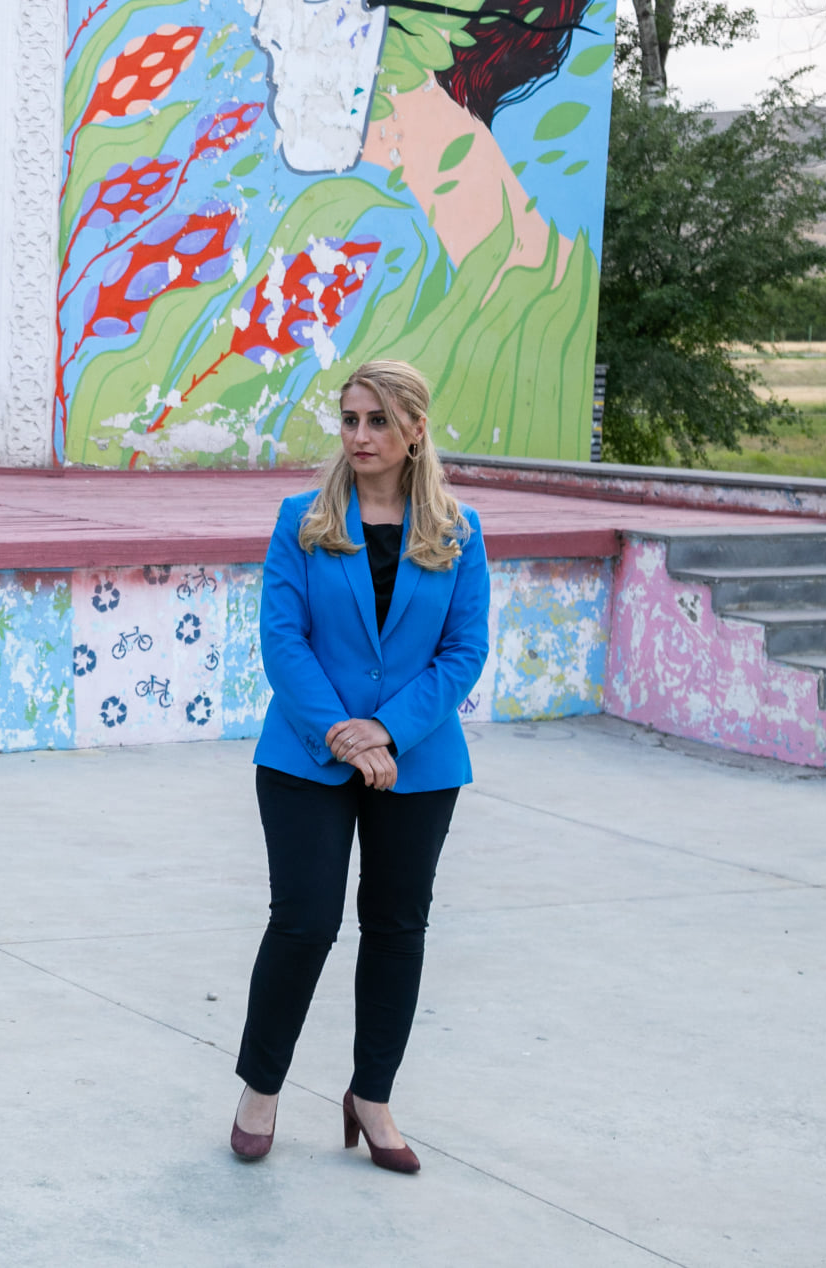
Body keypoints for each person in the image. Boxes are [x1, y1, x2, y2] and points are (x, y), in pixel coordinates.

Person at [227, 360, 488, 1173]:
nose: (361, 435)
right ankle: (261, 1088)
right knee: (304, 922)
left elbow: (463, 652)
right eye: (350, 419)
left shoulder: (459, 531)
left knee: (397, 929)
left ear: (415, 428)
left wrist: (386, 731)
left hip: (418, 762)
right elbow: (283, 640)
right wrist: (345, 734)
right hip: (306, 756)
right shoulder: (301, 520)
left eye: (378, 420)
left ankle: (371, 1096)